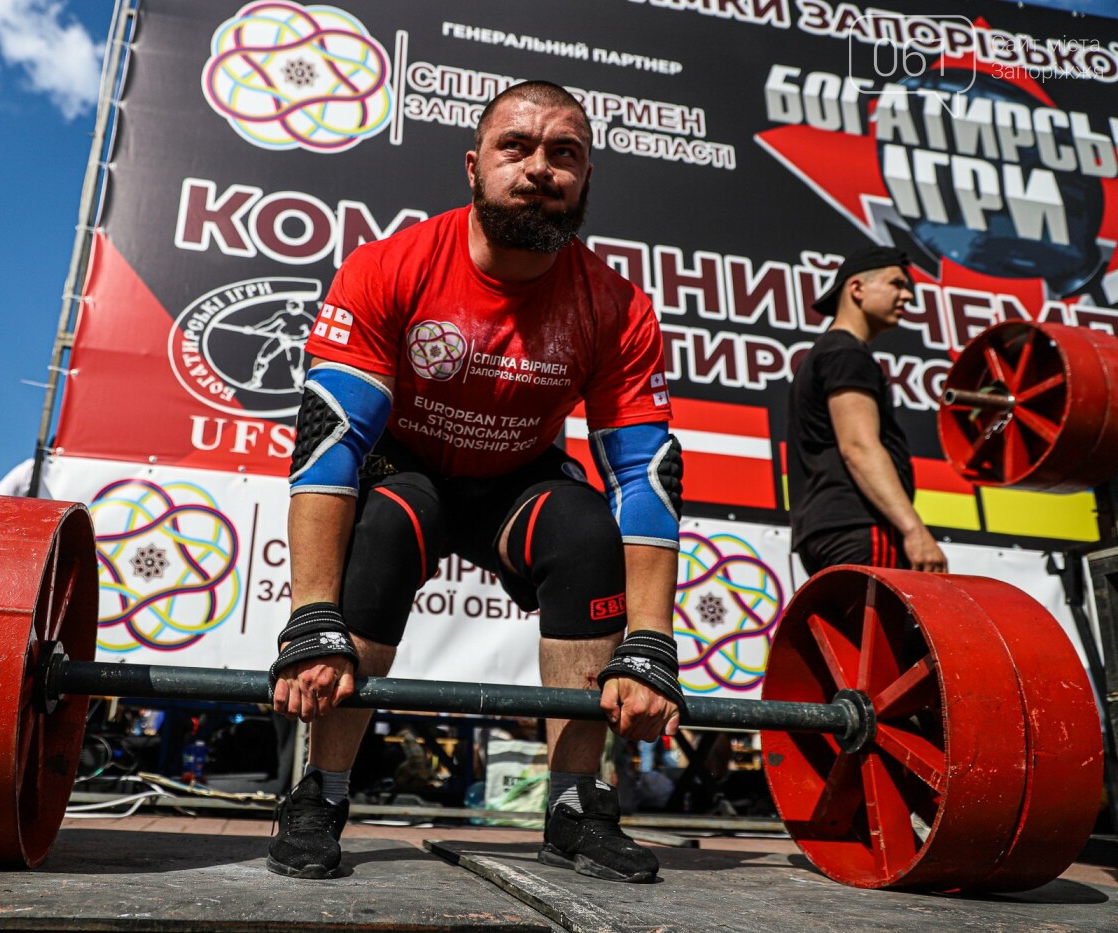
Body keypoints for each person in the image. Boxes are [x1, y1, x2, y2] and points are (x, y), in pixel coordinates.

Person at [267, 81, 686, 883]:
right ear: (473, 167)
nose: (539, 168)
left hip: (516, 481)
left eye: (564, 153)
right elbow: (334, 439)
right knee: (386, 522)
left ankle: (573, 805)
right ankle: (320, 793)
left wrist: (653, 642)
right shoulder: (390, 266)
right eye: (516, 148)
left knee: (586, 527)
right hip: (408, 467)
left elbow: (642, 471)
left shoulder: (618, 307)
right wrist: (312, 614)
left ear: (587, 176)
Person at [786, 246, 947, 576]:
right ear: (857, 288)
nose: (907, 297)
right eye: (897, 284)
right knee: (883, 629)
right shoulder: (845, 352)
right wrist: (914, 530)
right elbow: (859, 447)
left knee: (856, 629)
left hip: (826, 532)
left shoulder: (826, 353)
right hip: (861, 525)